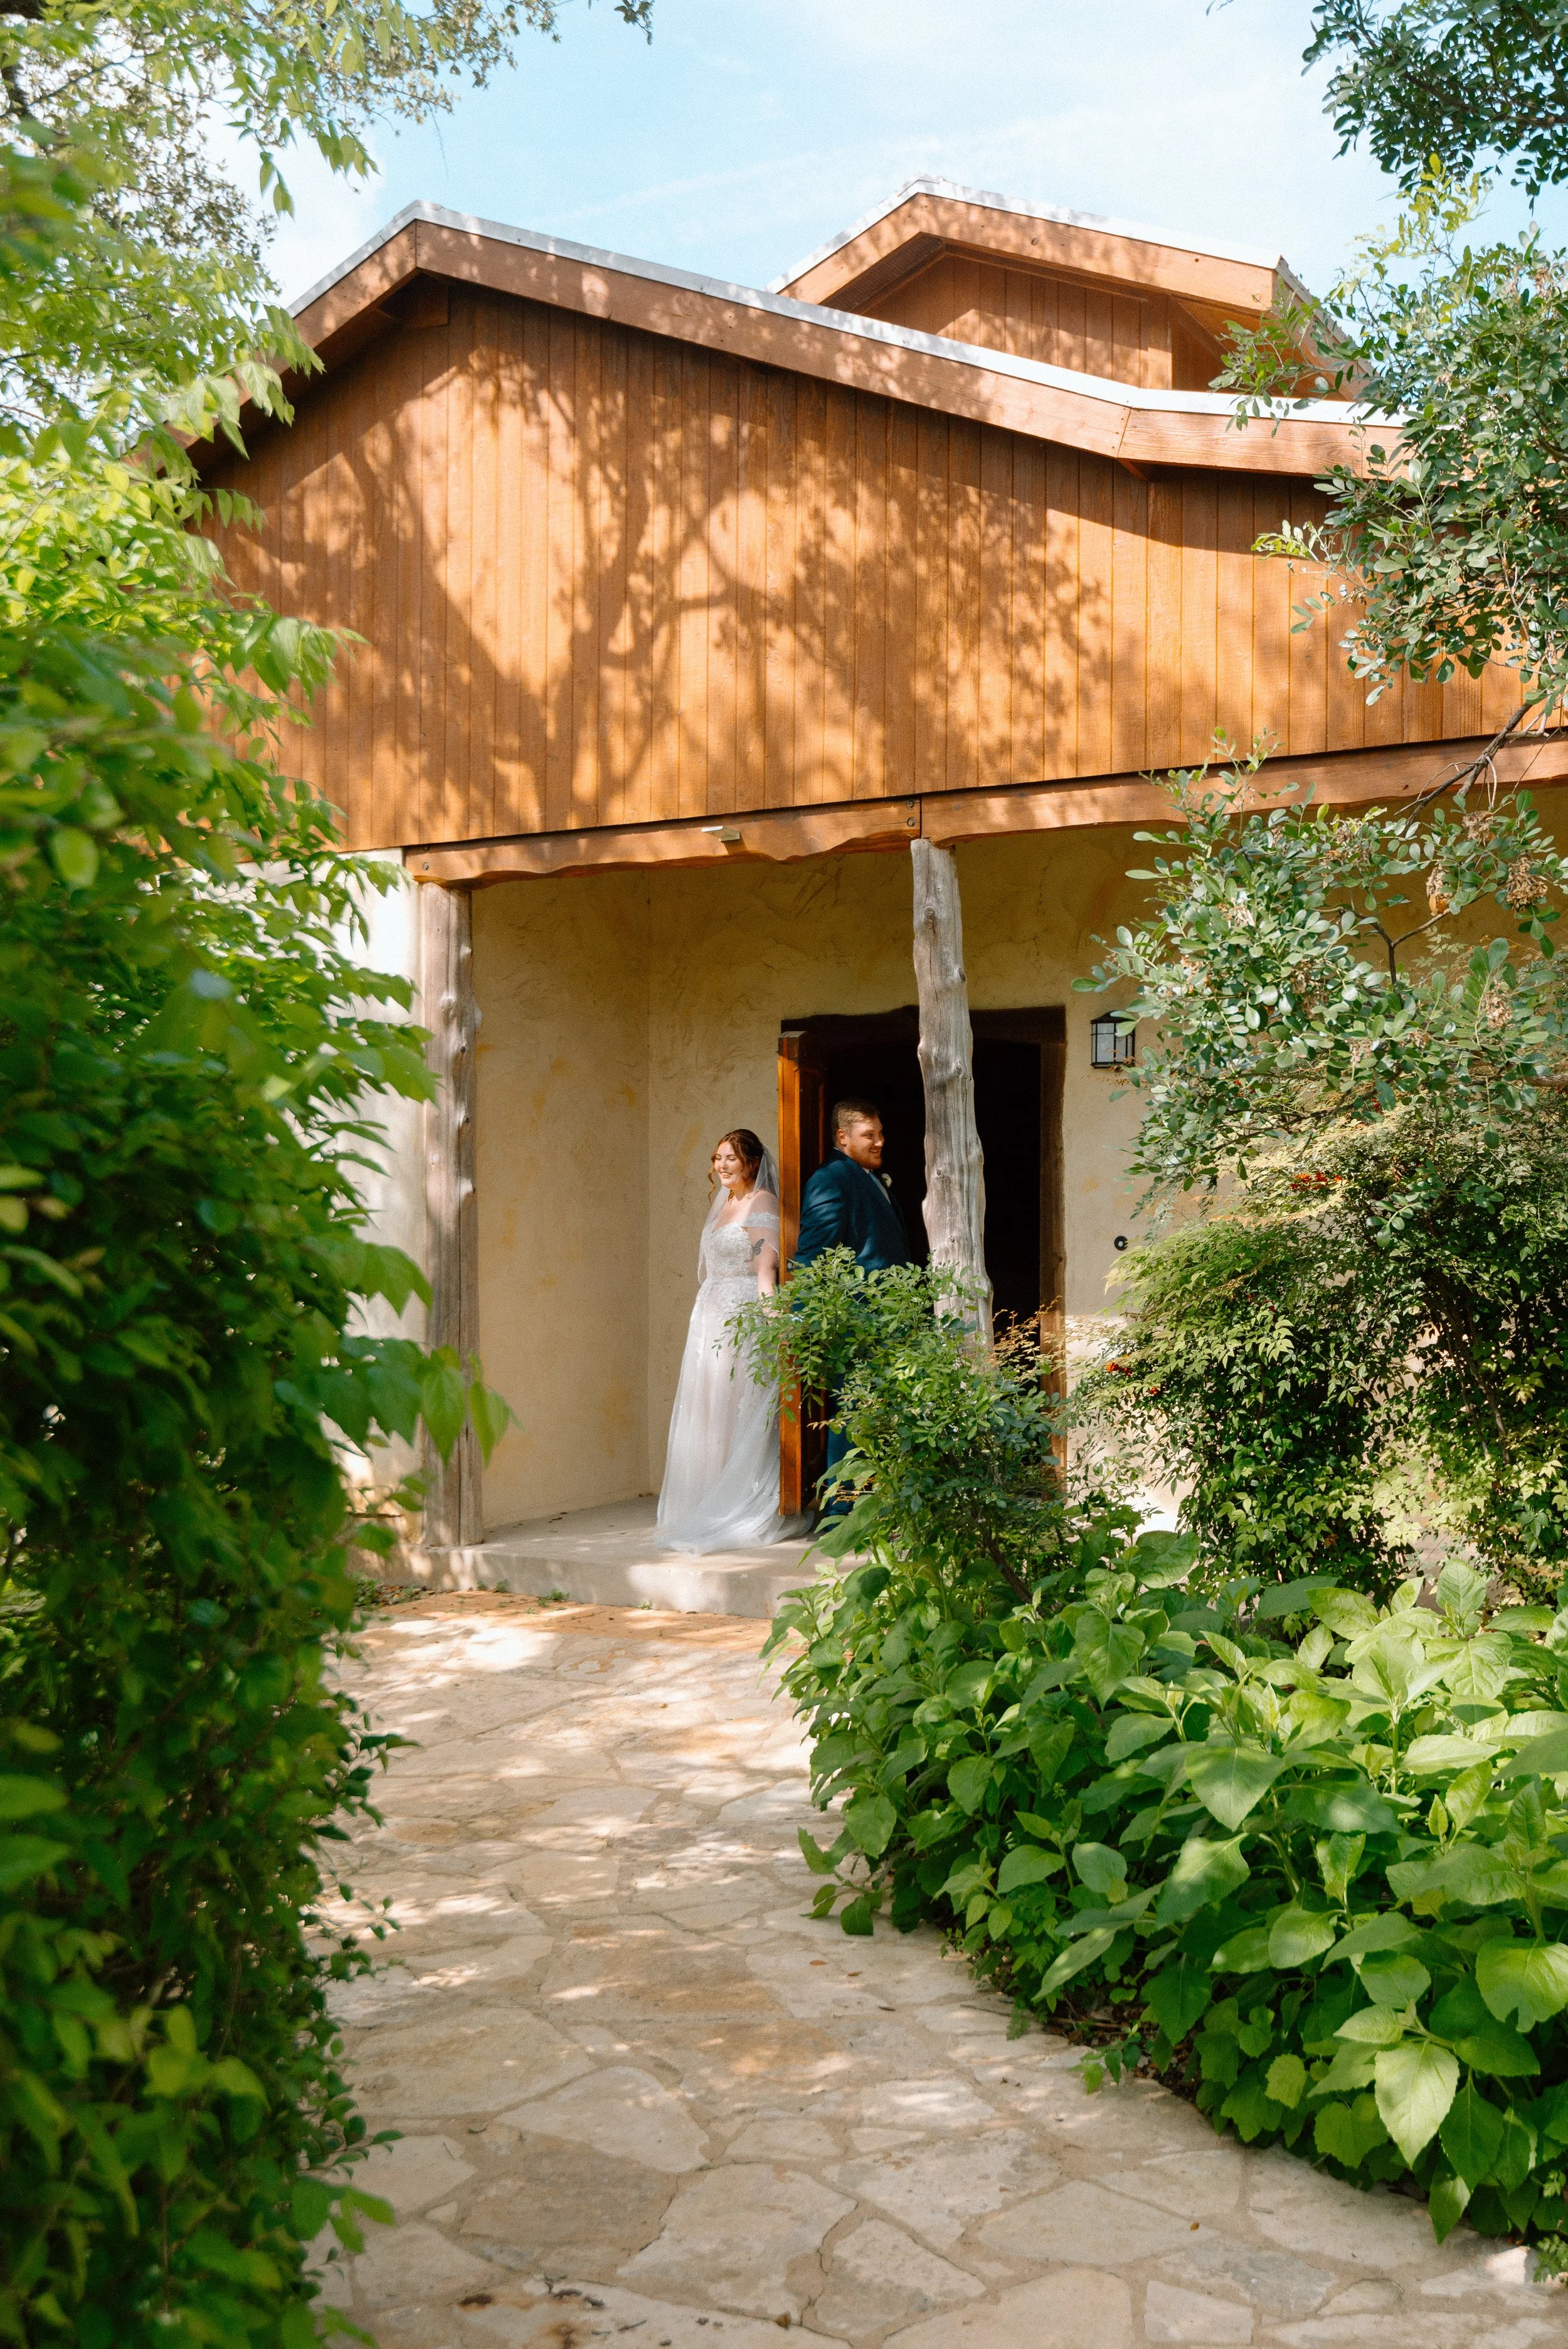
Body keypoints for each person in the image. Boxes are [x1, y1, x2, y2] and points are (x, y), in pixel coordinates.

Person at [656, 1128, 795, 1554]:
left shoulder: (761, 1203)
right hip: (710, 1315)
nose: (721, 1165)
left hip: (743, 1315)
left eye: (731, 1158)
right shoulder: (723, 1205)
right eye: (717, 1158)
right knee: (710, 1407)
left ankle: (741, 1497)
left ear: (752, 1162)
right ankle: (707, 1498)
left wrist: (776, 1328)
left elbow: (765, 1272)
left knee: (741, 1404)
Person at [791, 1098, 913, 1509]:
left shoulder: (866, 1175)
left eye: (880, 1133)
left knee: (878, 1420)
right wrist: (803, 1318)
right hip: (860, 1321)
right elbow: (813, 1252)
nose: (880, 1141)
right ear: (843, 1138)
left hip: (888, 1320)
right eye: (869, 1135)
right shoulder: (833, 1178)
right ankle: (845, 1514)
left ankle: (877, 1509)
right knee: (854, 1422)